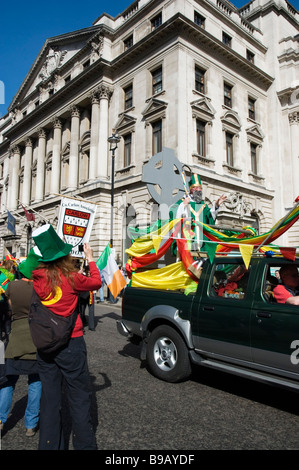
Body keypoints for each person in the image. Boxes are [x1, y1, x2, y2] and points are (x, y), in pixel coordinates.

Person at [31, 224, 101, 450]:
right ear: (63, 255)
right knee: (79, 398)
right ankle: (84, 445)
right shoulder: (71, 277)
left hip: (45, 344)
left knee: (50, 399)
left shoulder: (38, 277)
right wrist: (90, 259)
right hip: (71, 341)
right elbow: (96, 282)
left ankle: (50, 445)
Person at [0, 247, 42, 436]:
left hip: (16, 336)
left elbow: (8, 305)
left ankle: (1, 419)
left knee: (8, 381)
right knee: (35, 381)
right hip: (35, 337)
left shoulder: (12, 286)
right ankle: (30, 425)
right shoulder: (39, 288)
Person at [175, 173, 227, 250]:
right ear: (190, 189)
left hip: (203, 243)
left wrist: (216, 206)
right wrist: (184, 205)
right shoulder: (182, 202)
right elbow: (174, 216)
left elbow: (210, 218)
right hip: (188, 242)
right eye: (195, 188)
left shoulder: (203, 205)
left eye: (200, 188)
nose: (198, 190)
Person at [0, 257, 16, 343]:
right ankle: (8, 337)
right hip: (6, 299)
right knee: (7, 320)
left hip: (1, 299)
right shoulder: (10, 275)